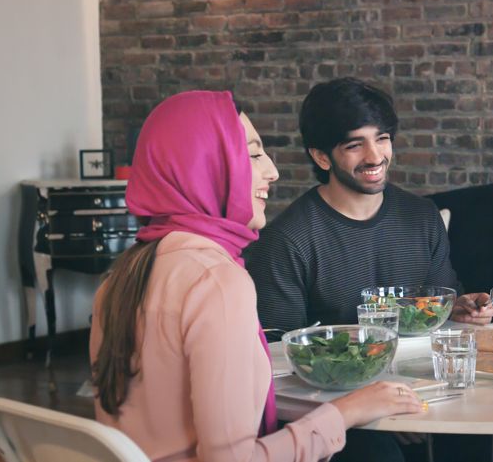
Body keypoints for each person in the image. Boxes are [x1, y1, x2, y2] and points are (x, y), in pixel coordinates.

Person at [89, 91, 422, 462]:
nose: (272, 171)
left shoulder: (121, 276)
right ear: (205, 167)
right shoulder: (216, 281)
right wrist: (347, 412)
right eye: (252, 154)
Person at [245, 77, 493, 332]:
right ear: (322, 157)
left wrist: (462, 309)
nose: (375, 157)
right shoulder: (286, 241)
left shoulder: (422, 216)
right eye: (355, 145)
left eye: (382, 139)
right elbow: (278, 351)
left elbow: (440, 304)